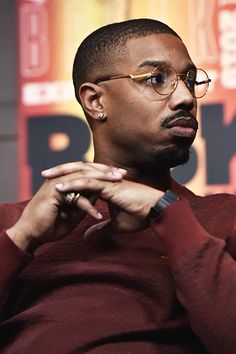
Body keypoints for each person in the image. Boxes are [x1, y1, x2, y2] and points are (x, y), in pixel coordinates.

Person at [0, 18, 236, 354]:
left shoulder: (222, 217)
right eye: (156, 79)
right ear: (95, 101)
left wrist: (166, 213)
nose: (185, 98)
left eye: (189, 80)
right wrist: (21, 238)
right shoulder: (14, 223)